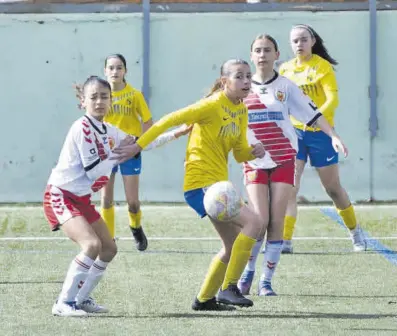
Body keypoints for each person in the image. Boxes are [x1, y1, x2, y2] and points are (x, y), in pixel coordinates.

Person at [112, 59, 267, 310]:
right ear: (224, 81)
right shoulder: (211, 105)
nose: (247, 81)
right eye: (239, 77)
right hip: (201, 183)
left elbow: (238, 153)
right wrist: (137, 147)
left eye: (249, 76)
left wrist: (253, 151)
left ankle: (204, 300)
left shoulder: (241, 109)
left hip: (216, 183)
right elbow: (168, 120)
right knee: (255, 222)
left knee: (232, 244)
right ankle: (229, 288)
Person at [44, 76, 189, 317]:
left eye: (104, 97)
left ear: (111, 100)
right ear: (83, 101)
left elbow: (143, 143)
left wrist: (177, 133)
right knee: (91, 245)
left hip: (80, 198)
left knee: (109, 248)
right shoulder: (82, 127)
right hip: (61, 195)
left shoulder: (110, 130)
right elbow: (94, 172)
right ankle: (63, 303)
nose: (99, 101)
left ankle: (81, 299)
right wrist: (121, 153)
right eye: (93, 97)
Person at [236, 34, 348, 296]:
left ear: (277, 55)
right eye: (257, 50)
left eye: (267, 50)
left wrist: (333, 136)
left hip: (285, 159)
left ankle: (266, 280)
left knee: (276, 221)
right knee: (258, 220)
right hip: (254, 162)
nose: (262, 55)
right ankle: (247, 272)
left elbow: (313, 114)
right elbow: (218, 115)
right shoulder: (241, 88)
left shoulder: (286, 87)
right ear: (251, 56)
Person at [279, 24, 366, 253]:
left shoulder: (322, 67)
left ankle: (355, 231)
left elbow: (332, 101)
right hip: (295, 134)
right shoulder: (285, 70)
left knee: (333, 188)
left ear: (313, 42)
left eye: (304, 40)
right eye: (295, 41)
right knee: (290, 187)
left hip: (320, 133)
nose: (299, 44)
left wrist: (312, 118)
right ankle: (285, 240)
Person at [102, 54, 153, 251]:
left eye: (119, 67)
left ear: (125, 71)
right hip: (106, 153)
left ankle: (136, 226)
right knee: (106, 198)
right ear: (105, 71)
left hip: (129, 153)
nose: (115, 71)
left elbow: (148, 122)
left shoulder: (134, 95)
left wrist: (138, 144)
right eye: (111, 68)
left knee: (132, 202)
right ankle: (109, 238)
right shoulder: (102, 95)